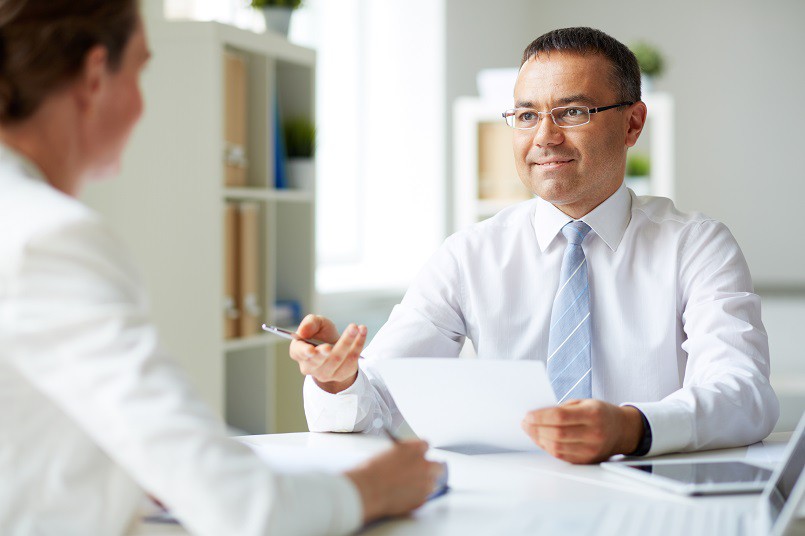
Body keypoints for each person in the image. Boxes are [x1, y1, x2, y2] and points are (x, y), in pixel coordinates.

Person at [0, 1, 443, 534]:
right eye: (141, 71)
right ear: (96, 76)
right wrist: (373, 489)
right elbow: (245, 508)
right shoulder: (50, 237)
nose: (144, 103)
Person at [289, 27, 779, 464]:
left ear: (632, 124)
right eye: (526, 115)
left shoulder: (695, 245)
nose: (544, 137)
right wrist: (338, 380)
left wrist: (631, 427)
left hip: (653, 503)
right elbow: (379, 402)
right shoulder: (469, 254)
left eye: (572, 112)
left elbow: (743, 394)